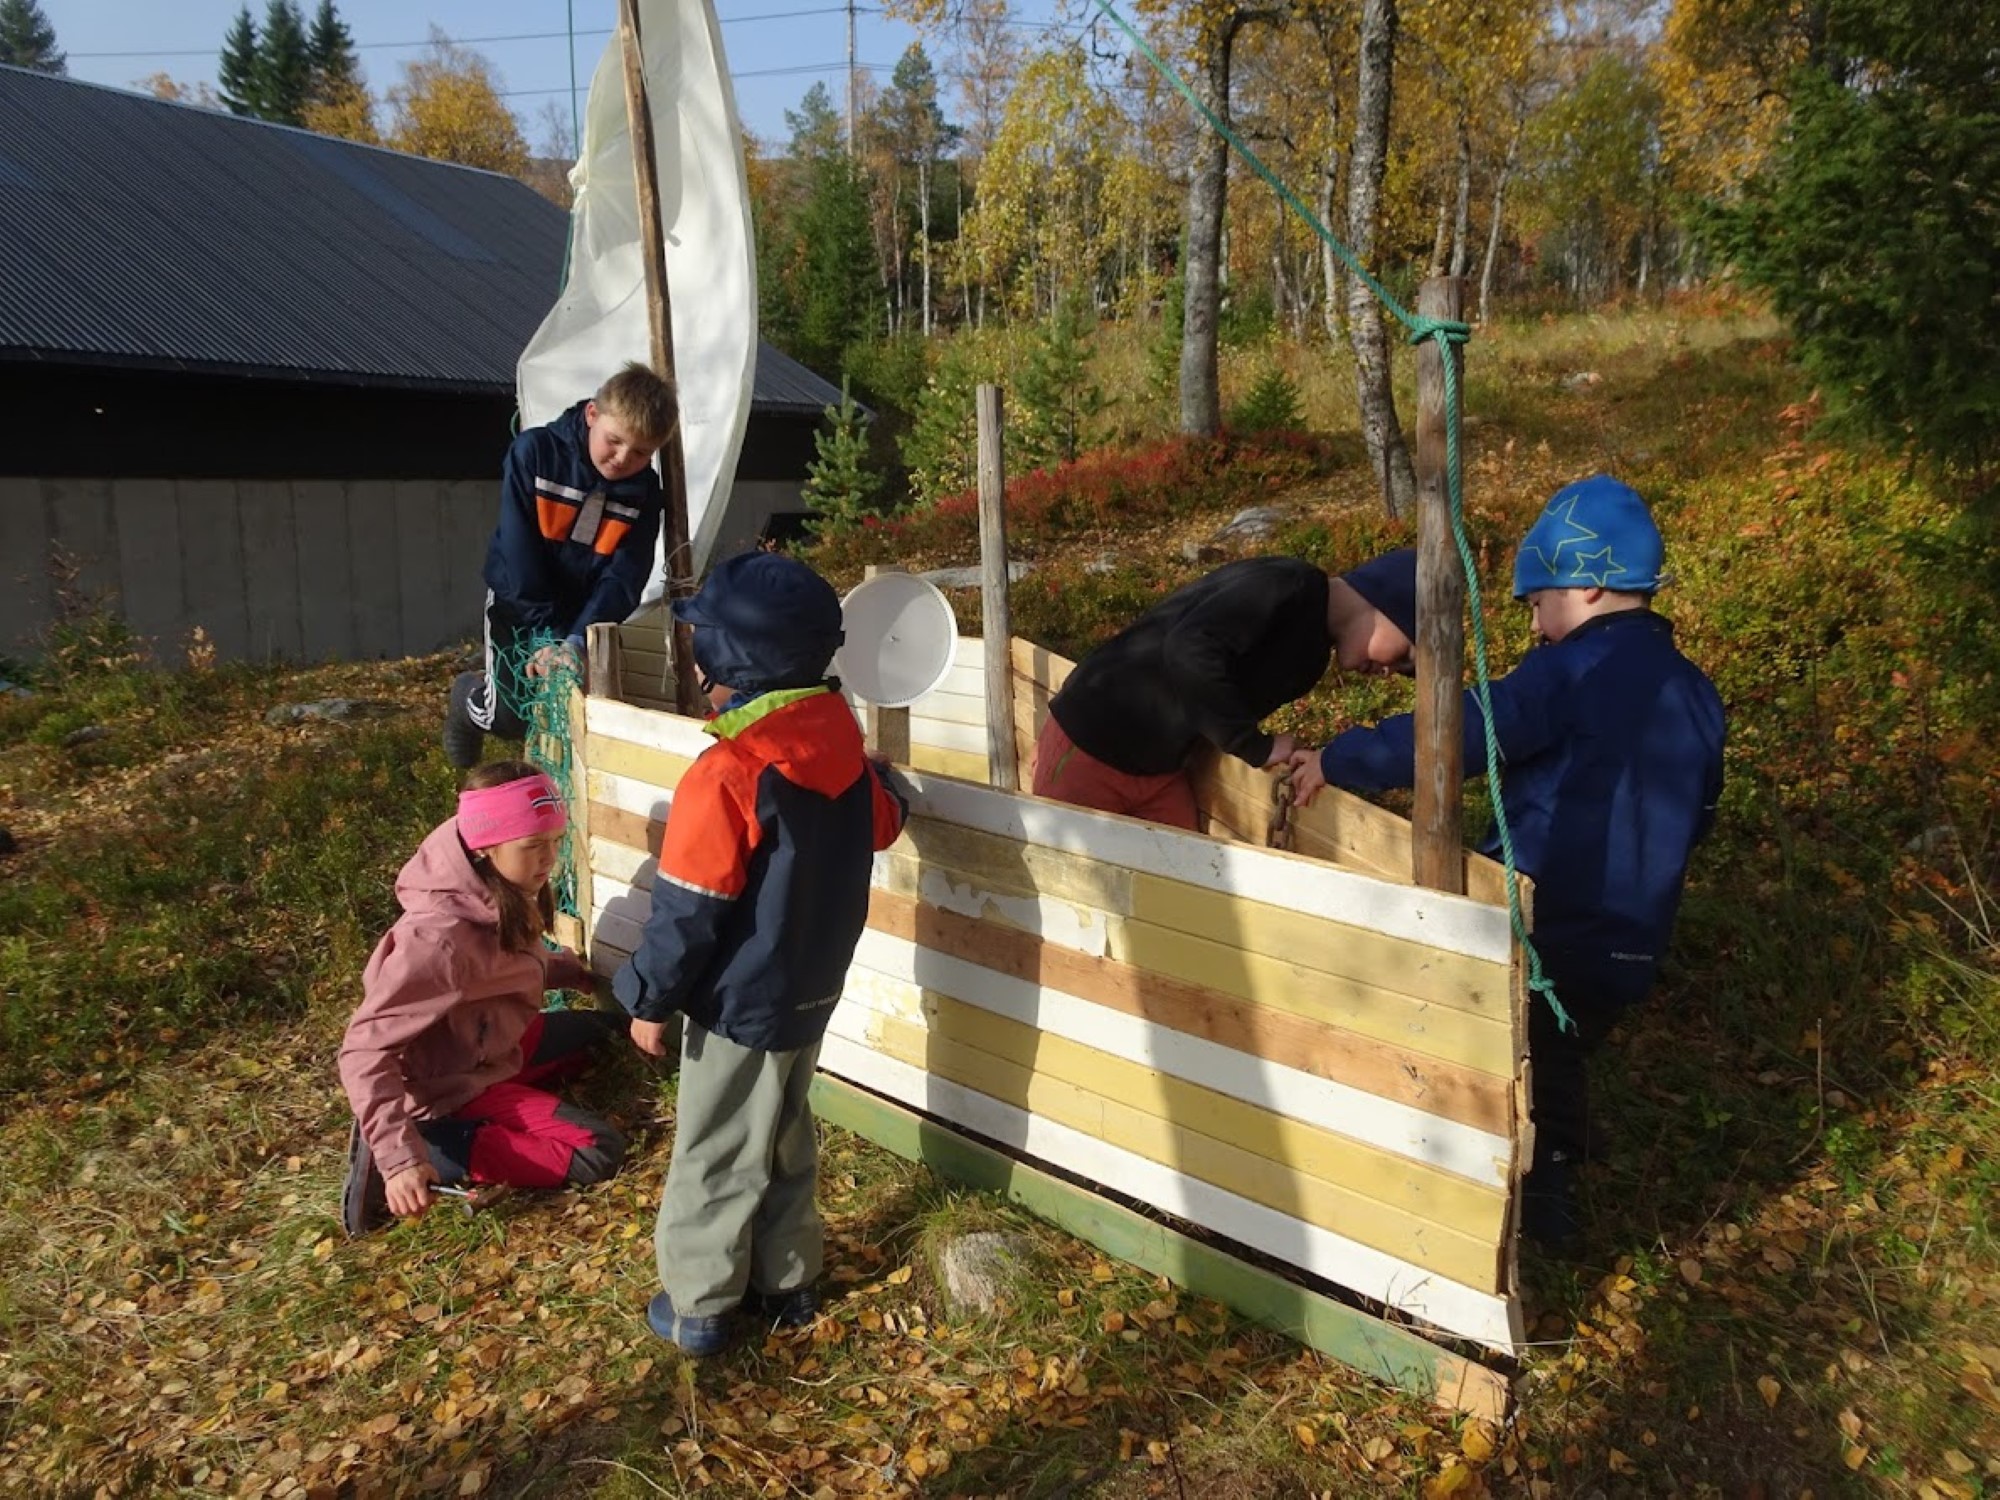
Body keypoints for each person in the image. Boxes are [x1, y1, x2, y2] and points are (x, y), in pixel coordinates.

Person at [1288, 476, 1726, 1251]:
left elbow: (1455, 732)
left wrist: (1340, 758)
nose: (1533, 624)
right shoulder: (1695, 691)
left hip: (1545, 915)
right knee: (1563, 1040)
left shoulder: (1570, 674)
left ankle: (1543, 1212)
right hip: (1637, 926)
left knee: (1512, 1060)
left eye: (1537, 602)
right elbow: (1704, 810)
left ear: (1586, 585)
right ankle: (1573, 1137)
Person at [612, 552, 909, 1356]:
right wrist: (893, 787)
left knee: (715, 1145)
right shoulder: (839, 742)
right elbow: (882, 824)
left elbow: (687, 915)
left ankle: (701, 1306)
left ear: (728, 662)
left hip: (736, 1002)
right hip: (813, 989)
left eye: (700, 643)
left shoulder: (728, 772)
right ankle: (788, 1282)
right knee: (782, 1130)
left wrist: (645, 999)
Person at [338, 762, 630, 1237]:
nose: (549, 858)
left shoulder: (501, 887)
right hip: (449, 1089)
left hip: (491, 1047)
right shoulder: (435, 942)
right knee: (597, 1149)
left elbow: (499, 967)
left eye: (555, 841)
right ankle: (433, 1147)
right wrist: (400, 1159)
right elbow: (363, 1051)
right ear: (484, 846)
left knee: (609, 1033)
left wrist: (565, 972)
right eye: (533, 846)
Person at [1031, 550, 1419, 829]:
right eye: (1404, 655)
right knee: (1075, 892)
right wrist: (1254, 746)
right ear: (1387, 603)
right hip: (1091, 745)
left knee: (1184, 897)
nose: (1390, 674)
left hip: (1161, 769)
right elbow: (1187, 650)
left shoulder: (1313, 653)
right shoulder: (1288, 586)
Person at [443, 363, 676, 769]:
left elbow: (625, 575)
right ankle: (468, 700)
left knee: (571, 713)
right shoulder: (534, 453)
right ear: (592, 414)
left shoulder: (644, 493)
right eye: (614, 440)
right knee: (510, 717)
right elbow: (519, 554)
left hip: (584, 612)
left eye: (641, 453)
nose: (622, 458)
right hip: (519, 602)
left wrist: (575, 640)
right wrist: (546, 635)